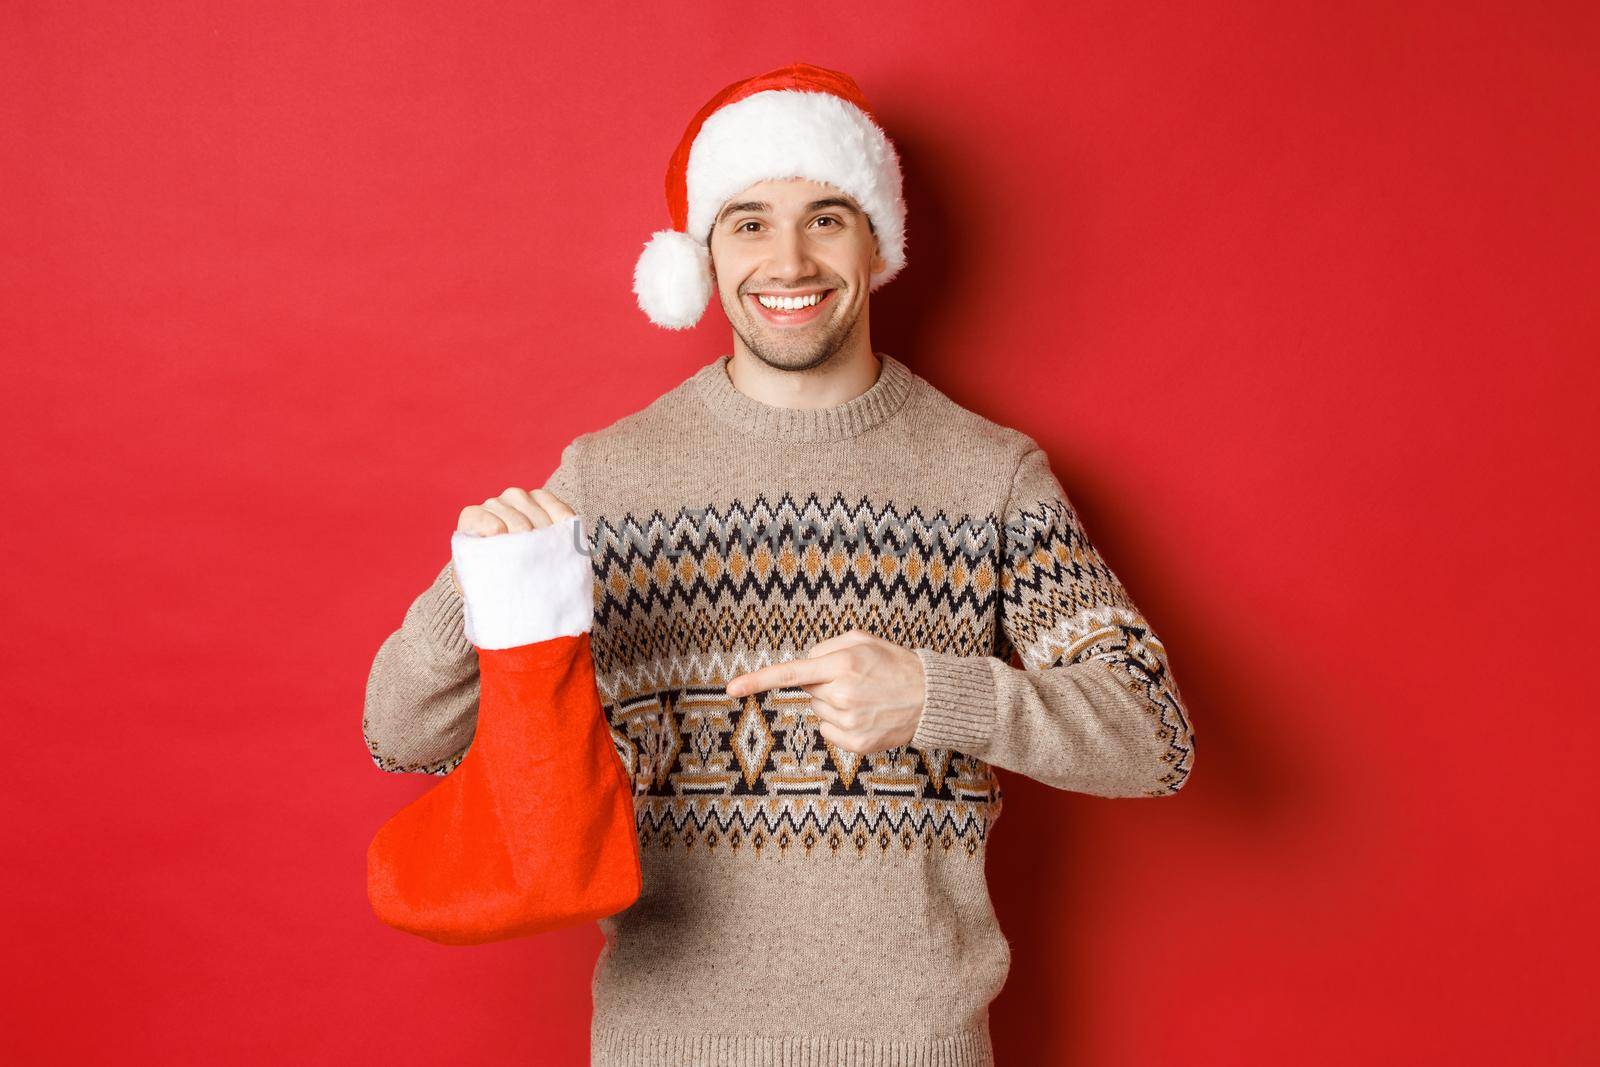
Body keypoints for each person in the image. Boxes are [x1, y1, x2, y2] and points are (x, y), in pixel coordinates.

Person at [362, 61, 1196, 1066]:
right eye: (749, 220)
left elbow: (1154, 735)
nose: (788, 259)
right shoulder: (609, 477)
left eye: (826, 217)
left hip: (913, 1046)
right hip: (663, 1045)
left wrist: (941, 694)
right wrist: (475, 586)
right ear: (702, 255)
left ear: (876, 239)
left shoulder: (990, 476)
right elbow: (400, 735)